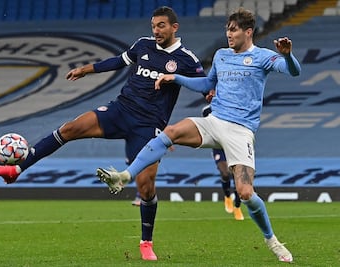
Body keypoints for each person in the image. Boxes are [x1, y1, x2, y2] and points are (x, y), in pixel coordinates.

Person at [0, 6, 205, 261]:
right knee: (70, 128)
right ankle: (16, 170)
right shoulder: (143, 45)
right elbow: (118, 61)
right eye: (153, 25)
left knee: (146, 187)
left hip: (148, 125)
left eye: (161, 26)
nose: (156, 31)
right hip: (120, 110)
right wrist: (85, 69)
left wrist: (194, 87)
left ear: (174, 27)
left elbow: (204, 84)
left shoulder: (186, 58)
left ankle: (146, 242)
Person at [96, 8, 301, 263]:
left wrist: (289, 56)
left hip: (240, 131)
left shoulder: (262, 57)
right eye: (227, 29)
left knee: (246, 193)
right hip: (214, 121)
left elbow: (293, 71)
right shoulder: (221, 55)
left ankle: (272, 241)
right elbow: (207, 84)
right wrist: (176, 78)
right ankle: (125, 176)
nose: (229, 34)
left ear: (248, 32)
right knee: (170, 132)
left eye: (234, 30)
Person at [202, 104, 244, 221]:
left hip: (233, 145)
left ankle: (237, 207)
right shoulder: (207, 110)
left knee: (237, 176)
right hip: (219, 146)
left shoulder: (232, 106)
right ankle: (227, 197)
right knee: (225, 173)